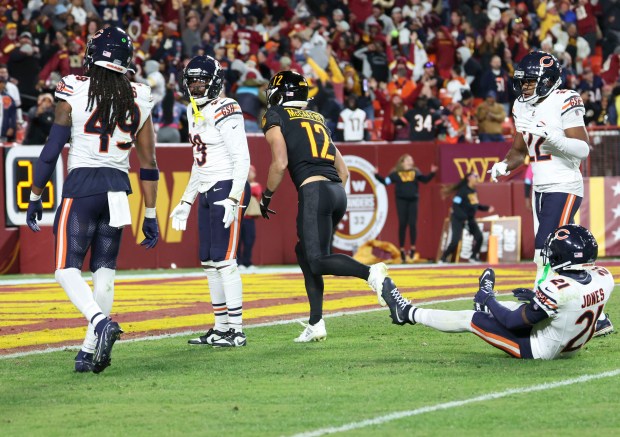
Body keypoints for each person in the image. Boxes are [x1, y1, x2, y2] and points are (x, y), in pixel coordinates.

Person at [25, 27, 159, 373]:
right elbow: (149, 164)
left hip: (83, 183)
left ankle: (99, 324)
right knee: (104, 270)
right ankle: (87, 352)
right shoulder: (140, 95)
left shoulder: (74, 87)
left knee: (65, 268)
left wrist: (36, 194)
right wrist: (152, 213)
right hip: (118, 187)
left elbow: (52, 150)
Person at [259, 70, 396, 342]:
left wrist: (266, 196)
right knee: (306, 254)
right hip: (336, 192)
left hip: (315, 190)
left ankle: (371, 273)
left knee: (318, 260)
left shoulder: (275, 116)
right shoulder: (317, 118)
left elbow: (280, 163)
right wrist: (330, 197)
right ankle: (316, 322)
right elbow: (343, 170)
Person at [488, 50, 612, 335]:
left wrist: (553, 137)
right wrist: (504, 165)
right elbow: (520, 151)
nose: (525, 87)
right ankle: (599, 316)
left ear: (548, 80)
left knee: (546, 248)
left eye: (531, 81)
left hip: (565, 184)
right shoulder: (521, 105)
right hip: (541, 188)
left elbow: (583, 149)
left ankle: (539, 302)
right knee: (563, 253)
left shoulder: (564, 99)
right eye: (523, 81)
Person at [380, 224, 615, 360]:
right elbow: (570, 305)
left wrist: (489, 298)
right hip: (568, 348)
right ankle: (486, 302)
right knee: (516, 307)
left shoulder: (555, 288)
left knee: (471, 319)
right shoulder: (604, 277)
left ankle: (406, 312)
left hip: (538, 350)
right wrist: (536, 301)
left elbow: (514, 324)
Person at [169, 55, 251, 348]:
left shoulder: (226, 108)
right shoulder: (194, 111)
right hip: (206, 188)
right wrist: (186, 200)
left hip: (226, 186)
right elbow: (197, 162)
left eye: (201, 80)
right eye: (191, 81)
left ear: (214, 81)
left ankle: (237, 331)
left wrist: (233, 197)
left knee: (226, 260)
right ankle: (220, 327)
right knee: (209, 260)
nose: (196, 86)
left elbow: (242, 157)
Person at [375, 155, 438, 263]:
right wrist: (376, 175)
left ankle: (413, 248)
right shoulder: (396, 174)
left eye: (411, 160)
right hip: (401, 200)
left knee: (412, 223)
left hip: (413, 200)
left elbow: (425, 180)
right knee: (403, 223)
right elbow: (386, 182)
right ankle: (402, 250)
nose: (411, 162)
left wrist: (432, 173)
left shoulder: (415, 172)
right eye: (408, 160)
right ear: (402, 162)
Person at [438, 172, 494, 264]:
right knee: (455, 240)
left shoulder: (473, 191)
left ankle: (473, 257)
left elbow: (475, 205)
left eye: (477, 176)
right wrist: (463, 217)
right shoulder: (462, 191)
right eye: (475, 176)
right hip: (458, 219)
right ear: (469, 178)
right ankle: (443, 258)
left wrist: (486, 208)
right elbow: (455, 206)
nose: (477, 177)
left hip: (469, 218)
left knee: (479, 237)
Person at [239, 165, 262, 271]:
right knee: (237, 241)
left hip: (249, 218)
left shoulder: (255, 185)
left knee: (249, 240)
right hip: (238, 218)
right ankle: (238, 263)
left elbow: (256, 192)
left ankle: (247, 262)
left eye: (251, 171)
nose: (249, 173)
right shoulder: (238, 184)